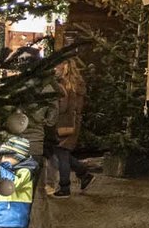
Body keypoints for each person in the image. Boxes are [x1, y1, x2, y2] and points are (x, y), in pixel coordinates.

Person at [47, 60, 94, 197]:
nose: (55, 67)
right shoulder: (77, 83)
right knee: (64, 152)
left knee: (61, 153)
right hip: (74, 121)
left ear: (65, 66)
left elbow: (63, 107)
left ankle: (65, 187)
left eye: (58, 65)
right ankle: (84, 174)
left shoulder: (64, 85)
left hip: (64, 122)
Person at [0, 135, 36, 228]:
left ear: (19, 157)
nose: (2, 159)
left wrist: (4, 168)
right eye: (2, 156)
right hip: (0, 211)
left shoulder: (25, 171)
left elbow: (13, 184)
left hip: (15, 212)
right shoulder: (8, 170)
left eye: (7, 156)